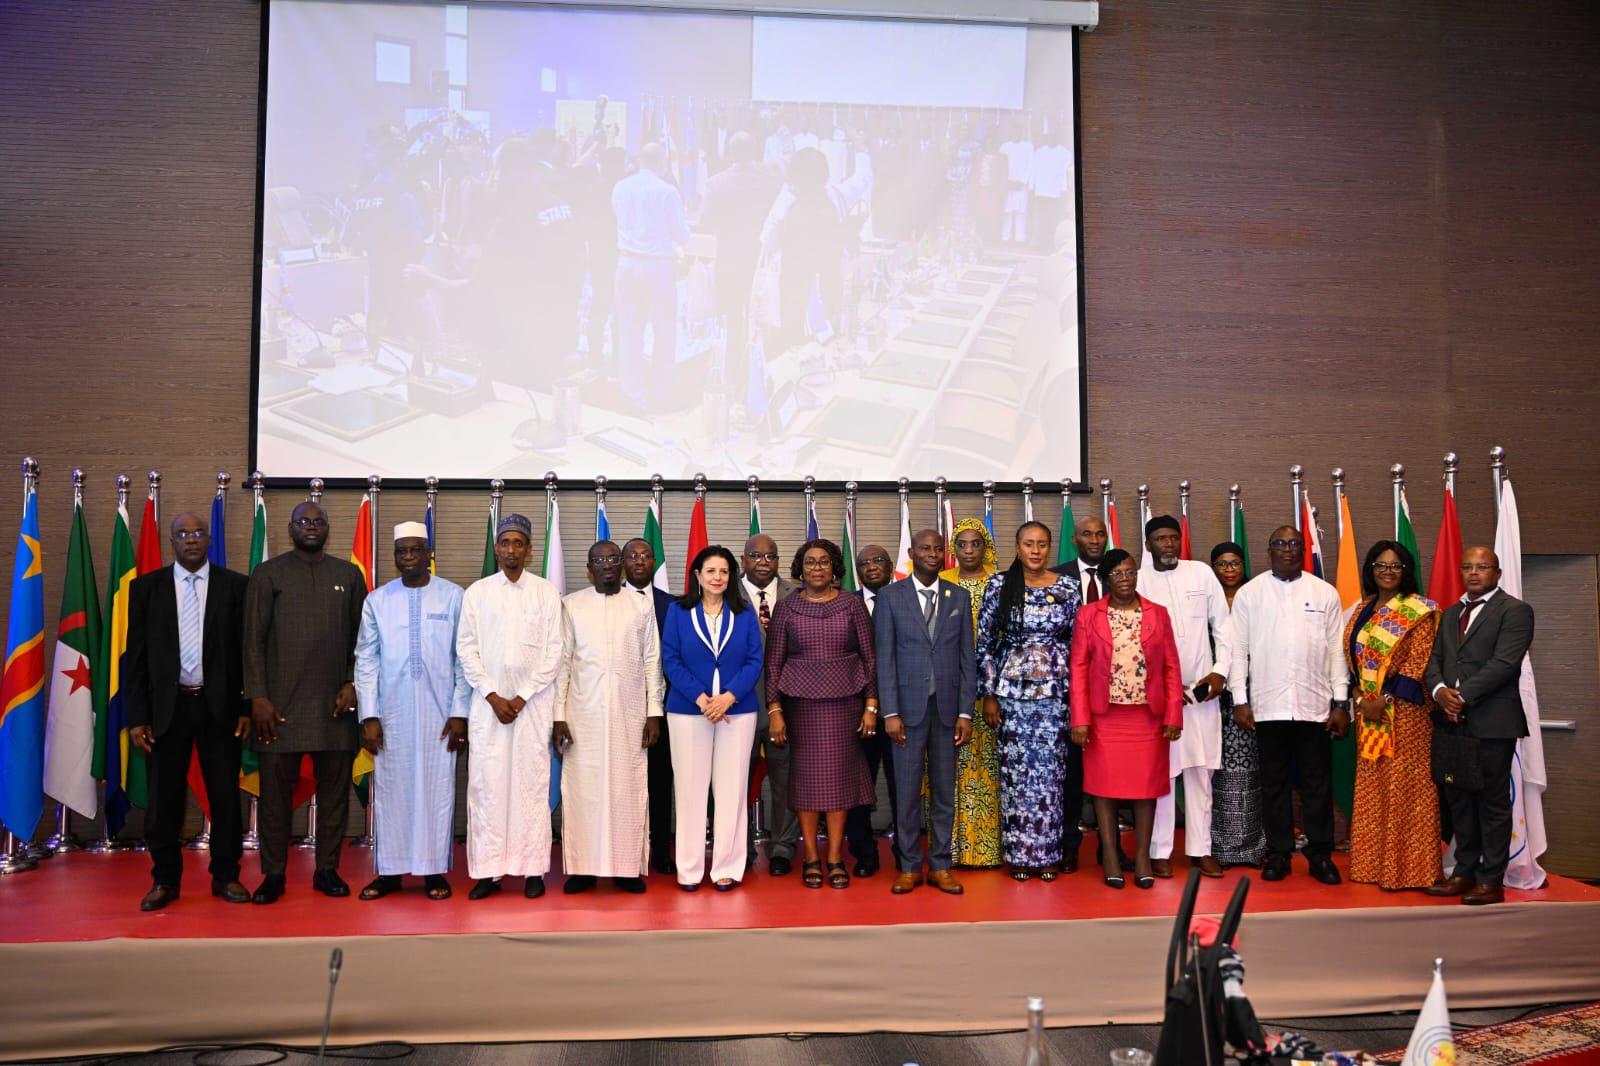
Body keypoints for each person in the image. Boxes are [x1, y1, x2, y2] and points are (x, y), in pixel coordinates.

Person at [242, 501, 367, 904]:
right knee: (275, 800)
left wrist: (353, 682)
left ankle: (327, 870)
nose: (311, 527)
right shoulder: (268, 573)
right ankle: (274, 874)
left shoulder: (348, 575)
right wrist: (257, 697)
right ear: (291, 527)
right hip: (278, 709)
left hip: (335, 707)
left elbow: (362, 642)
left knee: (334, 797)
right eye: (303, 522)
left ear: (328, 529)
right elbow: (252, 642)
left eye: (318, 522)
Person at [126, 512, 251, 911]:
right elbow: (137, 658)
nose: (191, 540)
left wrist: (247, 706)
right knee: (165, 800)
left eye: (198, 533)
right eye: (183, 534)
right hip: (168, 708)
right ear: (172, 542)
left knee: (225, 797)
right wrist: (137, 716)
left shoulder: (236, 586)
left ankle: (226, 876)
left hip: (221, 708)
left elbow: (247, 655)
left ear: (209, 539)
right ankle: (164, 880)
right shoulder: (147, 588)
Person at [352, 523, 472, 901]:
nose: (408, 558)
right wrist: (369, 715)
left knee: (438, 791)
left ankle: (434, 871)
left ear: (428, 553)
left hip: (440, 715)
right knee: (391, 791)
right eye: (401, 551)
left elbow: (463, 659)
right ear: (394, 556)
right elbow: (365, 660)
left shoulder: (454, 597)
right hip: (392, 715)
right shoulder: (377, 600)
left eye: (415, 550)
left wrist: (460, 712)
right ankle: (389, 872)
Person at [1227, 526, 1350, 885]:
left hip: (1314, 707)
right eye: (1279, 543)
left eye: (1294, 543)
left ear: (1303, 549)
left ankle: (1320, 855)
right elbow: (1237, 651)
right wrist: (1239, 700)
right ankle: (1278, 854)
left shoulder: (1324, 592)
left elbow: (1336, 653)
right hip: (1267, 708)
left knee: (1317, 786)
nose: (1287, 549)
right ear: (1268, 550)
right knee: (1274, 785)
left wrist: (1340, 702)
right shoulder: (1251, 594)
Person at [457, 514, 565, 900]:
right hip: (488, 708)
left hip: (532, 706)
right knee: (487, 787)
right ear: (498, 548)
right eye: (505, 543)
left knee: (531, 786)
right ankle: (489, 872)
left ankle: (532, 869)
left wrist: (521, 696)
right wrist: (492, 695)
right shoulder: (478, 593)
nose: (511, 550)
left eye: (519, 543)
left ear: (530, 550)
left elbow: (554, 651)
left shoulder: (546, 593)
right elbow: (466, 650)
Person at [764, 538, 879, 890]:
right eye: (810, 562)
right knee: (808, 783)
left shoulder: (852, 604)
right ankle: (812, 856)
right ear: (800, 568)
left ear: (835, 569)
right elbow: (774, 663)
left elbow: (870, 657)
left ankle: (835, 858)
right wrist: (775, 709)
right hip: (801, 707)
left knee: (840, 782)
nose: (817, 568)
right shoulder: (786, 607)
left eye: (824, 562)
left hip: (846, 705)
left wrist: (872, 705)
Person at [1423, 547, 1535, 906]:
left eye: (1482, 567)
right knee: (1459, 800)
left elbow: (1504, 663)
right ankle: (1463, 872)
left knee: (1492, 803)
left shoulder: (1516, 611)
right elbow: (1434, 662)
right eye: (1468, 567)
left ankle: (1491, 880)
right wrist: (1440, 693)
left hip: (1492, 722)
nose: (1474, 573)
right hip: (1451, 722)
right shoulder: (1451, 613)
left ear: (1497, 573)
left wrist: (1461, 697)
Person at [553, 541, 664, 895]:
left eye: (613, 559)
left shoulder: (640, 605)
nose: (606, 565)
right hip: (581, 715)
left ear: (621, 565)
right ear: (589, 568)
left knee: (628, 790)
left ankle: (627, 868)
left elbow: (652, 663)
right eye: (598, 560)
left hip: (630, 715)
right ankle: (583, 869)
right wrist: (558, 717)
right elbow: (562, 665)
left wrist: (654, 713)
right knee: (583, 792)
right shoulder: (572, 605)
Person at [1069, 550, 1184, 889]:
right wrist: (1080, 718)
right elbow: (1078, 669)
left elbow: (1171, 668)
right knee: (1104, 789)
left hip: (1147, 718)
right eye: (1117, 573)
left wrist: (1174, 713)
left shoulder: (1157, 614)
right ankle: (1110, 855)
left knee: (1145, 789)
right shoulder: (1088, 615)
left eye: (1129, 572)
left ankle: (1144, 856)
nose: (1124, 578)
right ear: (1106, 579)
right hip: (1104, 719)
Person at [977, 521, 1081, 881]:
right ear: (1017, 547)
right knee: (1017, 775)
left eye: (1041, 544)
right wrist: (989, 693)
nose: (1035, 551)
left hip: (1054, 695)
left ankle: (1048, 854)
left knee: (1052, 776)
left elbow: (1076, 642)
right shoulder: (1000, 586)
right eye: (1028, 544)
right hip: (1012, 697)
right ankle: (1020, 855)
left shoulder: (1067, 587)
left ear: (1049, 548)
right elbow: (984, 643)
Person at [874, 530, 975, 895]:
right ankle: (908, 866)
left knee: (944, 792)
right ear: (912, 553)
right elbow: (883, 659)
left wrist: (965, 711)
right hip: (906, 712)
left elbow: (967, 659)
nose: (932, 554)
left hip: (947, 711)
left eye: (937, 549)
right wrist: (890, 713)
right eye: (925, 549)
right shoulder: (890, 597)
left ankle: (941, 865)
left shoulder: (958, 597)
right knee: (906, 792)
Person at [660, 545, 763, 890]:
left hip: (737, 710)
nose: (717, 577)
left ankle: (727, 868)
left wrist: (728, 697)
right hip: (689, 710)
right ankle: (689, 871)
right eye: (711, 571)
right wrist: (703, 700)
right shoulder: (678, 611)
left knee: (732, 790)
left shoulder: (745, 612)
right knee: (690, 791)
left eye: (723, 571)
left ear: (731, 576)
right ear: (697, 576)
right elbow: (671, 659)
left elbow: (754, 661)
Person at [1342, 541, 1442, 892]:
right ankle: (1372, 866)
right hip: (1368, 713)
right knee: (1373, 785)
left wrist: (1382, 700)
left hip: (1406, 715)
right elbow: (1352, 663)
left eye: (1395, 566)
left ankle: (1410, 871)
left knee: (1406, 788)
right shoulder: (1361, 610)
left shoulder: (1420, 610)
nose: (1387, 571)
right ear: (1370, 569)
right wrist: (1357, 695)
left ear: (1406, 571)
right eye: (1380, 565)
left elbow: (1419, 662)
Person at [1139, 516, 1231, 879]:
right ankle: (1160, 851)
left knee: (1200, 773)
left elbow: (1224, 628)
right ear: (1148, 545)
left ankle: (1200, 850)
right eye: (1160, 539)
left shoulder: (1201, 574)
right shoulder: (1139, 580)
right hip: (1160, 699)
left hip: (1203, 693)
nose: (1168, 545)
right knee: (1162, 775)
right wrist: (1159, 688)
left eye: (1173, 538)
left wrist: (1220, 672)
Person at [696, 132, 781, 401]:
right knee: (761, 321)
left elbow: (706, 223)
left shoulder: (715, 184)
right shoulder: (770, 182)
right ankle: (759, 380)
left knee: (731, 322)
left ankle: (731, 383)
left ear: (729, 153)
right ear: (755, 151)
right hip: (759, 261)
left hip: (729, 260)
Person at [941, 519, 1002, 868]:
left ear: (986, 547)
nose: (968, 550)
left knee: (988, 771)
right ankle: (949, 850)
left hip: (989, 695)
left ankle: (987, 851)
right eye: (961, 544)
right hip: (948, 691)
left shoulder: (1000, 583)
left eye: (975, 544)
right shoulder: (942, 582)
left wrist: (992, 688)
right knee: (948, 770)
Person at [612, 141, 689, 410]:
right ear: (663, 162)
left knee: (629, 330)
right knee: (664, 329)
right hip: (658, 265)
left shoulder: (620, 187)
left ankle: (633, 394)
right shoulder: (667, 191)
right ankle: (660, 391)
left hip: (626, 263)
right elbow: (682, 235)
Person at [1052, 514, 1110, 868]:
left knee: (1112, 770)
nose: (1093, 539)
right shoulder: (1058, 578)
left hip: (1112, 689)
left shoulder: (1122, 573)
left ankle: (1110, 848)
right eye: (1086, 534)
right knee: (1071, 772)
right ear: (1075, 540)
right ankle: (1069, 845)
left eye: (1099, 534)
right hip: (1067, 688)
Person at [742, 533, 798, 874]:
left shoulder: (797, 594)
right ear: (743, 559)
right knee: (736, 784)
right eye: (756, 556)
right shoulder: (724, 593)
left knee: (786, 781)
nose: (764, 562)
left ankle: (782, 848)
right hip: (740, 707)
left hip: (788, 709)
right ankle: (740, 848)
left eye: (771, 557)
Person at [1208, 541, 1266, 867]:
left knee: (1249, 773)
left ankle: (1252, 847)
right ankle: (1220, 848)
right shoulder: (1207, 602)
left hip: (1249, 696)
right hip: (1213, 699)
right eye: (1222, 564)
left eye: (1235, 563)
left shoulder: (1256, 599)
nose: (1229, 569)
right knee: (1216, 775)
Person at [622, 537, 677, 876]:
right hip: (620, 707)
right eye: (633, 556)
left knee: (660, 783)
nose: (640, 561)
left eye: (646, 556)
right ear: (623, 562)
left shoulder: (675, 605)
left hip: (665, 709)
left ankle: (660, 850)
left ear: (655, 561)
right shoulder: (610, 600)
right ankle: (626, 850)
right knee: (623, 782)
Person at [844, 542, 898, 876]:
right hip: (855, 712)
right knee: (857, 785)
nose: (872, 566)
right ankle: (863, 852)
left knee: (901, 784)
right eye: (865, 562)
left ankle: (905, 851)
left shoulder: (907, 600)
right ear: (857, 569)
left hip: (899, 712)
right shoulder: (845, 604)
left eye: (879, 560)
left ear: (891, 566)